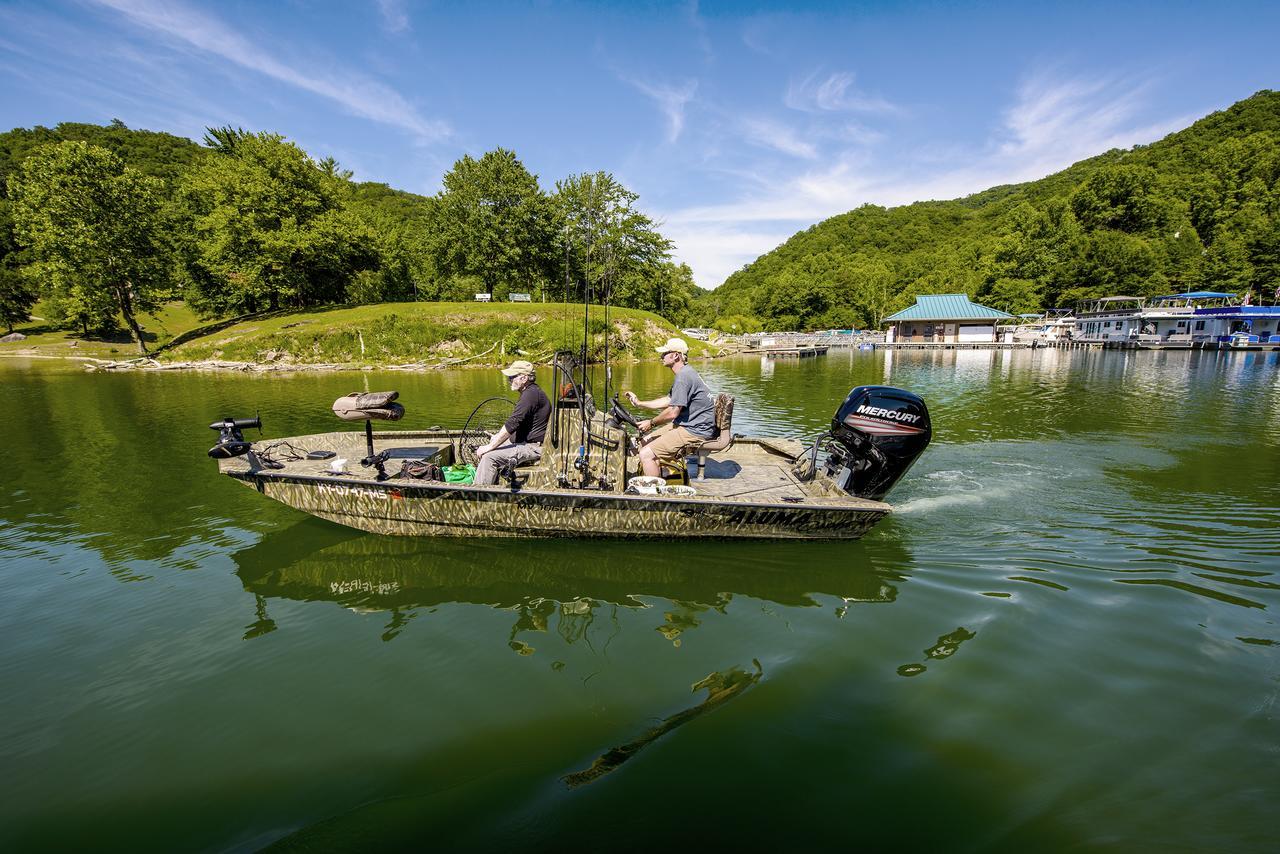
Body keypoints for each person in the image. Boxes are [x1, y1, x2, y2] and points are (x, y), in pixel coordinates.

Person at [624, 337, 715, 478]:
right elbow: (669, 400)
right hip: (690, 425)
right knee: (643, 443)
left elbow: (673, 412)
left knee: (646, 454)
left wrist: (651, 422)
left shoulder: (683, 378)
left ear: (676, 356)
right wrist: (640, 403)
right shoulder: (686, 372)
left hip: (695, 430)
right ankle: (657, 476)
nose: (661, 356)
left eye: (665, 353)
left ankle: (655, 495)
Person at [474, 360, 551, 485]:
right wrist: (495, 441)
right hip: (524, 442)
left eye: (512, 377)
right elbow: (515, 423)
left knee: (489, 457)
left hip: (533, 446)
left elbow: (512, 423)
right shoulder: (530, 392)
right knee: (493, 445)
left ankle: (478, 496)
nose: (509, 380)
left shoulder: (530, 395)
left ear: (524, 378)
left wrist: (489, 447)